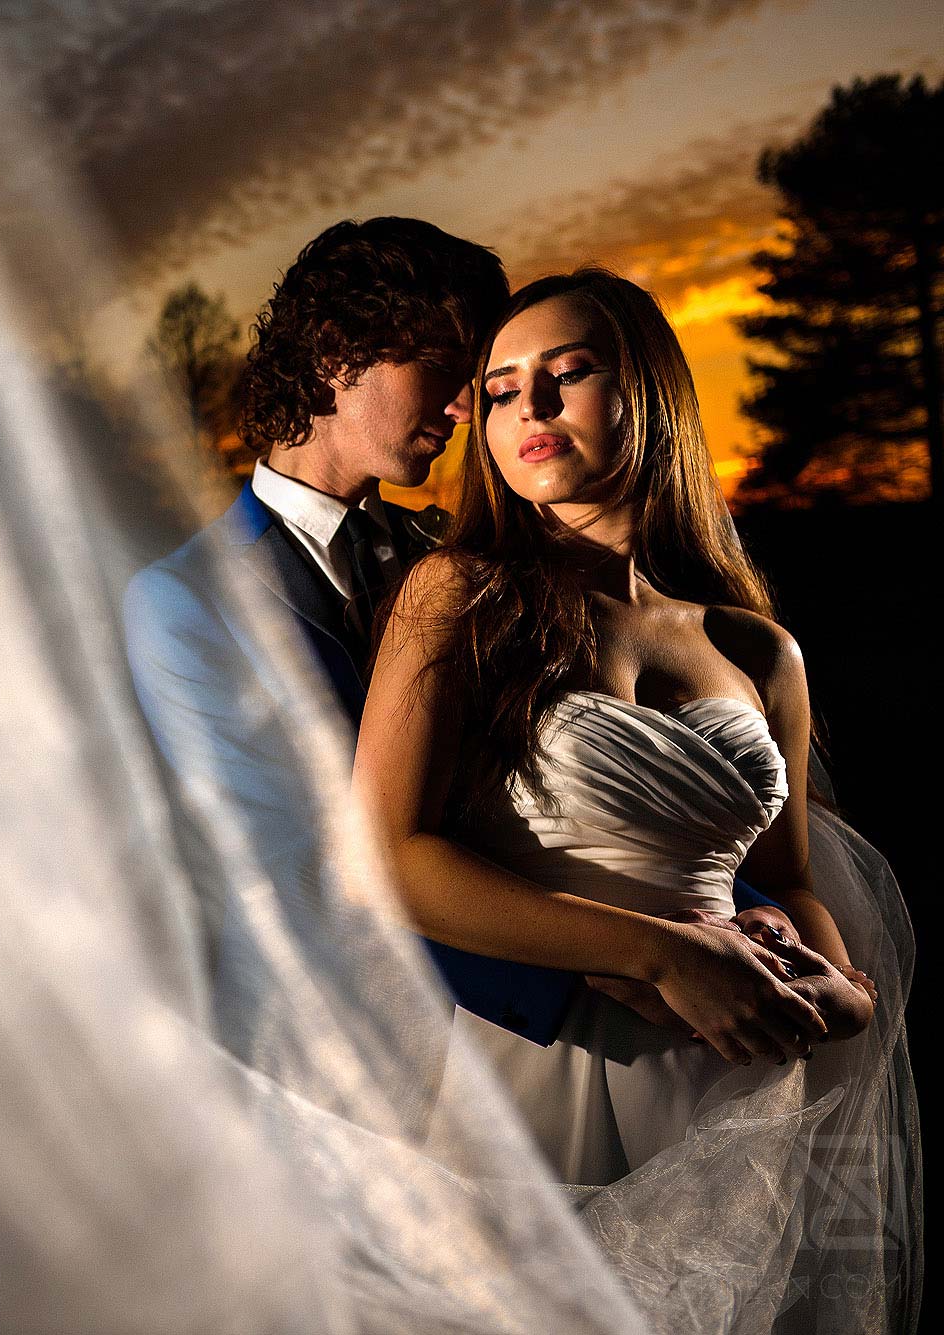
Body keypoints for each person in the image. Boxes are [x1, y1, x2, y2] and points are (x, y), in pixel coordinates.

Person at [355, 268, 914, 1326]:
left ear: (648, 393)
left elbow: (788, 876)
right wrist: (663, 954)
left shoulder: (758, 647)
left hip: (735, 1075)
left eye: (566, 373)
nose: (529, 405)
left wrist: (843, 993)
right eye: (501, 389)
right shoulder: (460, 595)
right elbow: (385, 857)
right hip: (549, 1066)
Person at [123, 220, 778, 1049]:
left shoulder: (469, 567)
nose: (469, 407)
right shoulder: (186, 600)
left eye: (477, 380)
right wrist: (600, 975)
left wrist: (748, 926)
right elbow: (301, 864)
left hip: (541, 1032)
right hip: (335, 1055)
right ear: (334, 353)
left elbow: (607, 807)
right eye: (443, 364)